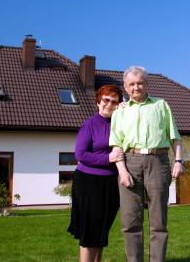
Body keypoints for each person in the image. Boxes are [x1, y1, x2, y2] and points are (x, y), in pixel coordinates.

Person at [109, 66, 183, 262]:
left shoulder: (161, 105)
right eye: (132, 84)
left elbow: (175, 137)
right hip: (129, 162)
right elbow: (116, 145)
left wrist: (178, 161)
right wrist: (122, 171)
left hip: (158, 162)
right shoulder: (120, 112)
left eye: (140, 83)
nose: (136, 87)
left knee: (158, 221)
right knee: (130, 221)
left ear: (147, 84)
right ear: (125, 87)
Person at [68, 85, 125, 262]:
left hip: (110, 183)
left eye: (114, 101)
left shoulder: (120, 123)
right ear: (98, 102)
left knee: (101, 230)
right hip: (89, 182)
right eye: (105, 100)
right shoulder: (90, 124)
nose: (109, 104)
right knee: (90, 231)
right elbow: (80, 155)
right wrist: (108, 158)